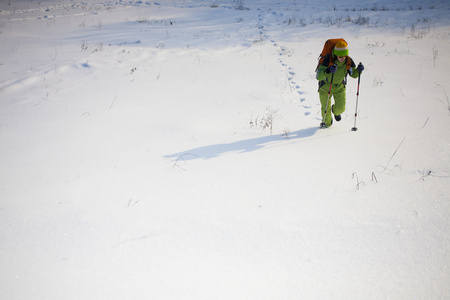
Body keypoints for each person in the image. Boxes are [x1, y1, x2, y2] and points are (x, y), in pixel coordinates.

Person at [316, 40, 364, 128]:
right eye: (340, 56)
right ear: (336, 54)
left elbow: (353, 74)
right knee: (326, 109)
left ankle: (335, 112)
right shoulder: (328, 59)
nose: (342, 58)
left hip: (339, 87)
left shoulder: (348, 60)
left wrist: (358, 70)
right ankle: (327, 124)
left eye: (344, 56)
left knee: (341, 108)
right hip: (326, 86)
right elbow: (319, 76)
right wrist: (328, 70)